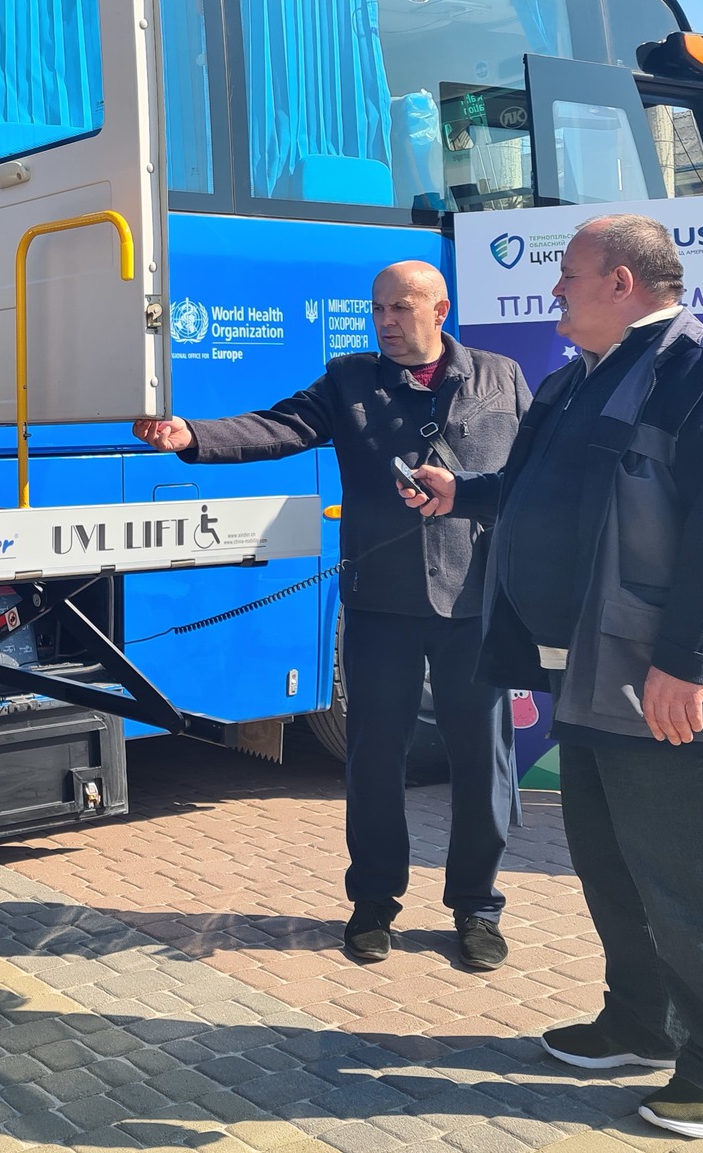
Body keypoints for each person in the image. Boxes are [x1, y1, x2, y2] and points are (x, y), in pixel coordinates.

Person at [402, 214, 703, 1140]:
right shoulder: (576, 382)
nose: (554, 291)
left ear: (621, 280)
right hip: (589, 678)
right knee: (612, 867)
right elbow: (550, 492)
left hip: (665, 685)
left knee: (692, 878)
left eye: (568, 275)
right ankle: (639, 1022)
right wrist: (467, 493)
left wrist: (687, 667)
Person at [133, 260, 530, 970]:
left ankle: (476, 907)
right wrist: (192, 437)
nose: (385, 320)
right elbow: (279, 426)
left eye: (401, 308)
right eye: (377, 308)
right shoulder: (350, 379)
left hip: (474, 604)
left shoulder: (502, 377)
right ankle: (373, 902)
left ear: (440, 310)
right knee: (375, 760)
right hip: (380, 605)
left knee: (484, 762)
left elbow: (529, 479)